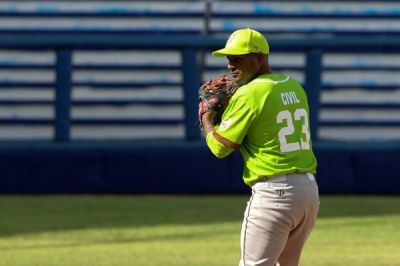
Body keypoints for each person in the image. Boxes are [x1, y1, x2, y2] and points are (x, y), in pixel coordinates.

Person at [199, 28, 320, 266]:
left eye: (238, 58)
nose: (231, 65)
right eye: (229, 59)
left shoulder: (249, 94)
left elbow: (220, 147)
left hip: (274, 194)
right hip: (308, 192)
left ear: (260, 57)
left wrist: (207, 117)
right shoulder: (293, 86)